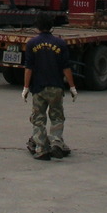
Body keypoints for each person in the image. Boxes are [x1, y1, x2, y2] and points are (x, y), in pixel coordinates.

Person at [22, 12, 77, 160]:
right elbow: (66, 68)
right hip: (56, 88)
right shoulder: (60, 43)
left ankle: (41, 149)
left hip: (38, 88)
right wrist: (72, 87)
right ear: (51, 26)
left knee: (38, 118)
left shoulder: (31, 44)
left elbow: (29, 68)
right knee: (57, 116)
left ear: (37, 26)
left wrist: (26, 88)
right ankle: (57, 143)